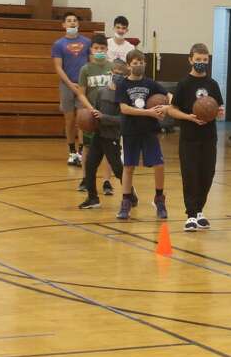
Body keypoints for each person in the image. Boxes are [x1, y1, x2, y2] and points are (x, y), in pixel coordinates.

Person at [166, 43, 225, 232]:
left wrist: (218, 112)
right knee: (190, 174)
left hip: (209, 136)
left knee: (207, 174)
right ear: (190, 59)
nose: (201, 63)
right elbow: (172, 110)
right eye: (198, 59)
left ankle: (200, 211)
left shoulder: (212, 84)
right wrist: (188, 117)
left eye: (204, 60)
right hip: (189, 137)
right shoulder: (184, 84)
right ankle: (191, 215)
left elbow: (219, 108)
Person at [116, 49, 169, 221]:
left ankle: (159, 199)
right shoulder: (123, 84)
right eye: (135, 62)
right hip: (130, 131)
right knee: (129, 167)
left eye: (141, 62)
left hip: (149, 131)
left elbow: (168, 95)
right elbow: (124, 109)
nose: (138, 65)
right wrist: (149, 112)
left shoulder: (150, 83)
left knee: (159, 165)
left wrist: (170, 105)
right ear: (128, 65)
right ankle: (126, 201)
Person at [75, 58, 127, 209]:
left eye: (121, 75)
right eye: (116, 73)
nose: (118, 76)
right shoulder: (100, 92)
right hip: (98, 135)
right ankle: (92, 198)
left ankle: (131, 195)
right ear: (111, 73)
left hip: (112, 137)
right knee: (90, 165)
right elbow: (94, 114)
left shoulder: (124, 97)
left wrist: (104, 118)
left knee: (118, 169)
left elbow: (122, 120)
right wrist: (89, 122)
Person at [72, 33, 116, 196]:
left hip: (107, 114)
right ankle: (85, 179)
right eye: (96, 48)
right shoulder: (85, 69)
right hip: (90, 114)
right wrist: (90, 109)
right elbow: (81, 93)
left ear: (107, 49)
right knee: (87, 148)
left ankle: (107, 181)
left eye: (102, 48)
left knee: (108, 149)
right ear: (91, 49)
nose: (99, 51)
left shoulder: (112, 68)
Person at [51, 12, 91, 166]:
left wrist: (83, 83)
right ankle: (72, 152)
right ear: (63, 25)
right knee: (69, 119)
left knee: (82, 119)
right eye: (69, 21)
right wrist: (69, 84)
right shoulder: (58, 44)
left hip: (83, 85)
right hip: (67, 86)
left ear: (78, 24)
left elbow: (90, 62)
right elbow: (58, 67)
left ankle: (81, 152)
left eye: (75, 20)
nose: (72, 23)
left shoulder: (87, 42)